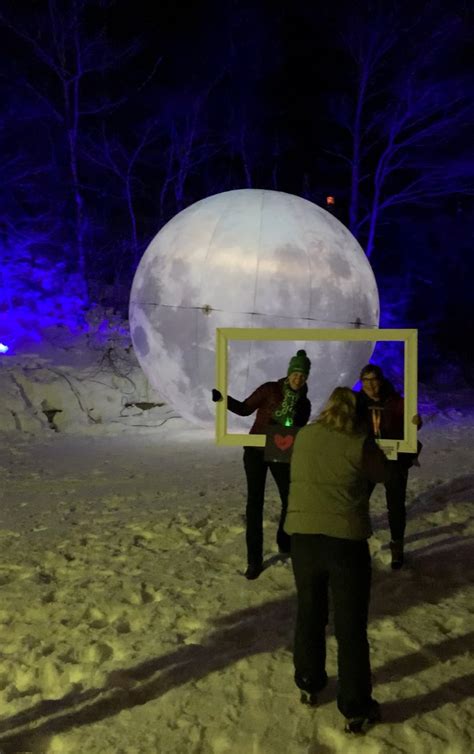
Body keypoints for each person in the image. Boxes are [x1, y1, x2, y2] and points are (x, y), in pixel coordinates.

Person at [285, 387, 388, 733]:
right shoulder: (359, 442)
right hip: (345, 542)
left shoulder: (305, 435)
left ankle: (309, 682)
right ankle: (355, 706)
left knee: (310, 612)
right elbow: (384, 474)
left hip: (303, 539)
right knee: (350, 626)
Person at [212, 349, 311, 580]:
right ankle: (253, 560)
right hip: (255, 451)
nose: (298, 379)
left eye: (303, 375)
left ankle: (284, 540)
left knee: (290, 497)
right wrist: (223, 399)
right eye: (295, 373)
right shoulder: (269, 389)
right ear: (289, 373)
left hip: (280, 451)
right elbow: (245, 409)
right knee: (254, 504)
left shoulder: (304, 404)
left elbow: (298, 431)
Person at [356, 364, 422, 569]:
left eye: (373, 379)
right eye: (365, 380)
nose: (370, 384)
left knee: (395, 505)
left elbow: (410, 423)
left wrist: (415, 422)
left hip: (394, 460)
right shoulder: (356, 403)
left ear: (381, 380)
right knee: (358, 502)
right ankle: (357, 544)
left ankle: (397, 545)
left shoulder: (395, 401)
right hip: (366, 460)